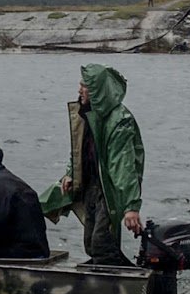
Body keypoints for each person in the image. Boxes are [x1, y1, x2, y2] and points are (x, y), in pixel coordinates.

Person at [41, 63, 145, 266]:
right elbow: (79, 150)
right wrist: (70, 173)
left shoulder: (120, 120)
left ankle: (118, 285)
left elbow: (123, 165)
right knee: (90, 241)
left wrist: (131, 207)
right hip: (90, 184)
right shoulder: (87, 114)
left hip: (109, 189)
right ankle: (101, 276)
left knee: (101, 241)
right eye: (80, 85)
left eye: (84, 85)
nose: (79, 90)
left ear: (97, 90)